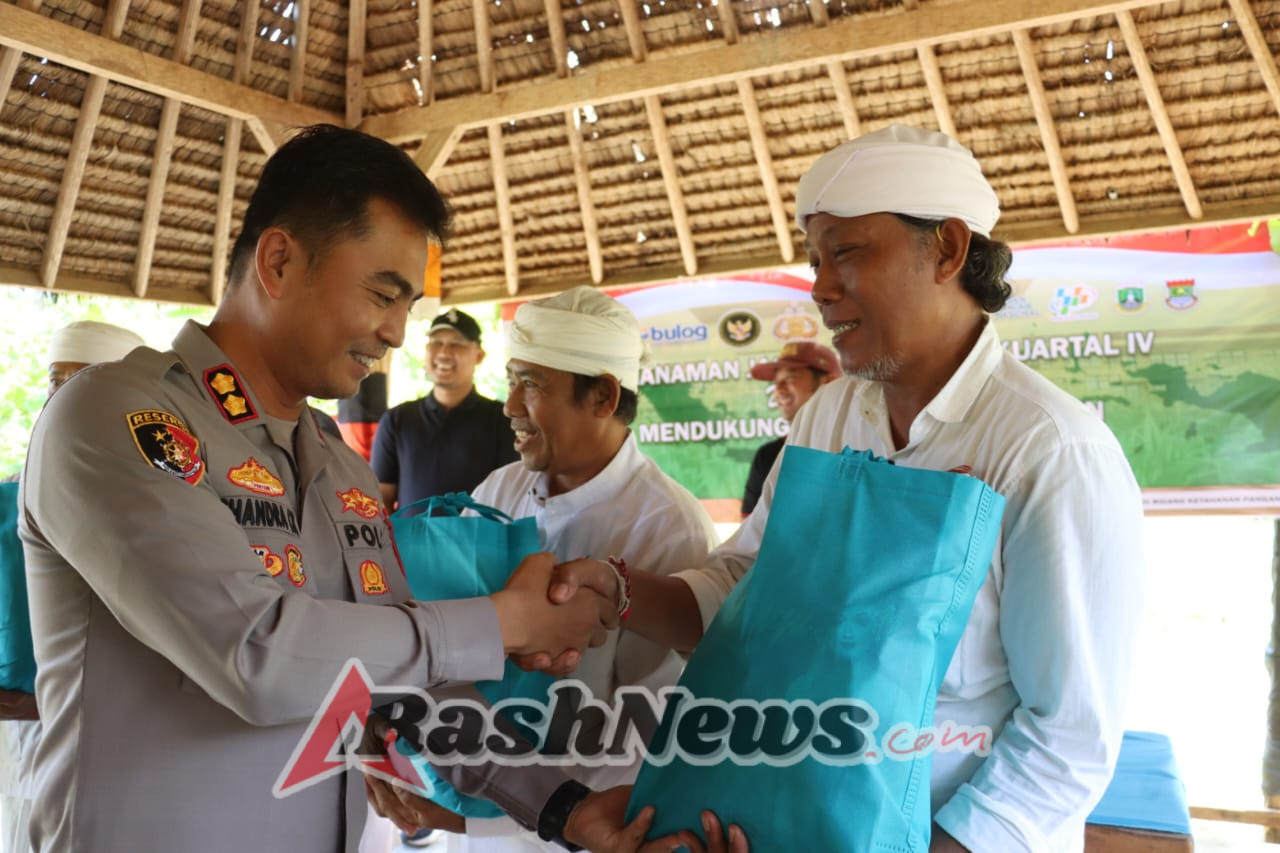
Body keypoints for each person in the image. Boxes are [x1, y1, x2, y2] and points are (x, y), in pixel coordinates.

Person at [17, 125, 621, 853]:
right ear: (278, 261)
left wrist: (561, 807)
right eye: (382, 293)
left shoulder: (337, 464)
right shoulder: (118, 416)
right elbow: (255, 654)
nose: (398, 332)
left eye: (408, 306)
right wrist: (502, 621)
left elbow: (405, 678)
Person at [549, 125, 1146, 851]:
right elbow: (745, 590)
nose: (821, 288)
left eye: (849, 253)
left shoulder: (1047, 450)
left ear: (949, 249)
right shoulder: (831, 416)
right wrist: (618, 593)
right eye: (814, 260)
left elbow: (1068, 739)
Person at [382, 287, 720, 851]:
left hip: (578, 824)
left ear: (604, 396)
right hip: (476, 792)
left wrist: (501, 818)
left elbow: (638, 735)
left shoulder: (665, 526)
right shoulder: (502, 486)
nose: (510, 404)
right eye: (512, 379)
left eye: (531, 385)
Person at [1, 321, 144, 853]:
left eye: (78, 385)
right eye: (53, 384)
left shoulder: (157, 497)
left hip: (115, 728)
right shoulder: (13, 489)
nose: (57, 401)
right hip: (25, 721)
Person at [372, 308, 517, 515]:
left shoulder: (502, 421)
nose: (444, 352)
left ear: (479, 355)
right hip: (409, 546)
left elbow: (512, 496)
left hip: (478, 545)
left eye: (456, 344)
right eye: (436, 342)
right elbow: (380, 499)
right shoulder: (397, 420)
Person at [739, 341, 837, 516]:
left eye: (791, 378)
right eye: (776, 382)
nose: (779, 389)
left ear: (827, 383)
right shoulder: (768, 456)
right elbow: (751, 533)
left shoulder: (861, 445)